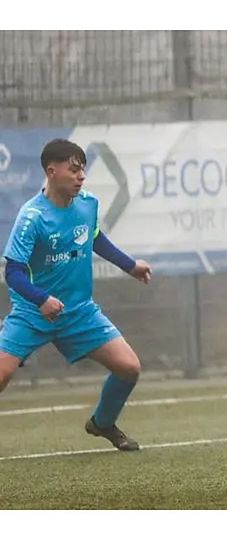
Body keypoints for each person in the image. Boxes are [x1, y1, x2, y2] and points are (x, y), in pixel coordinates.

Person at [0, 138, 152, 451]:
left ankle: (103, 422)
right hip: (32, 313)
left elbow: (95, 239)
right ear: (51, 171)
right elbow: (12, 272)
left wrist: (130, 266)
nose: (81, 176)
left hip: (79, 312)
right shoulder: (32, 217)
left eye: (82, 169)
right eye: (73, 169)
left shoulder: (87, 204)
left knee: (129, 368)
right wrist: (41, 299)